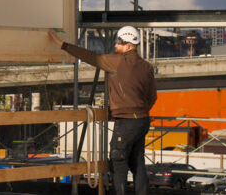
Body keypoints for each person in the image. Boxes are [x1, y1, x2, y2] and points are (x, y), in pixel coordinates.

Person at [48, 26, 156, 195]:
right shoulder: (147, 67)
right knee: (137, 163)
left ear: (129, 46)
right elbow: (152, 97)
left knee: (118, 160)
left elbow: (91, 57)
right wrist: (139, 111)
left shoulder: (117, 62)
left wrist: (62, 44)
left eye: (119, 43)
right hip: (142, 121)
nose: (116, 46)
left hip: (126, 121)